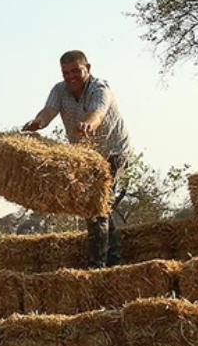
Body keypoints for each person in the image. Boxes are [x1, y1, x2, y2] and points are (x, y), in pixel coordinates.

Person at [22, 50, 131, 268]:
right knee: (96, 208)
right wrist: (38, 122)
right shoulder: (59, 90)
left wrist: (88, 124)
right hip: (86, 159)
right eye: (66, 72)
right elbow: (49, 110)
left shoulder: (100, 88)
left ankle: (98, 266)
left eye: (75, 71)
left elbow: (97, 114)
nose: (70, 77)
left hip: (113, 154)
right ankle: (114, 261)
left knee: (98, 207)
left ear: (87, 68)